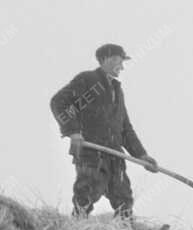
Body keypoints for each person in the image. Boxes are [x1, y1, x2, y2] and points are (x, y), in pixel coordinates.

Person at [50, 43, 159, 218]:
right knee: (86, 193)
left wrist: (142, 155)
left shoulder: (117, 90)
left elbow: (125, 128)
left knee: (124, 199)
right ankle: (78, 229)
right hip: (92, 151)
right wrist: (74, 131)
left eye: (123, 62)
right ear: (106, 60)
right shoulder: (88, 80)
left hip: (115, 155)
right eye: (119, 61)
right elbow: (59, 102)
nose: (122, 66)